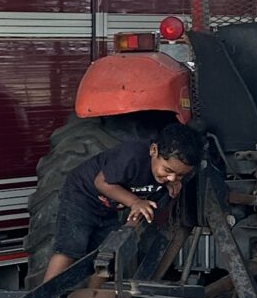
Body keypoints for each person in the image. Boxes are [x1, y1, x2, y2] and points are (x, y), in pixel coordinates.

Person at [40, 120, 202, 284]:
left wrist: (173, 182)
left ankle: (92, 297)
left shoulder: (171, 175)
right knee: (70, 247)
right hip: (81, 195)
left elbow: (170, 180)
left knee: (107, 252)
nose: (173, 177)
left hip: (107, 208)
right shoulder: (132, 156)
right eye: (168, 171)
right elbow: (101, 183)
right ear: (153, 150)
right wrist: (135, 202)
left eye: (180, 175)